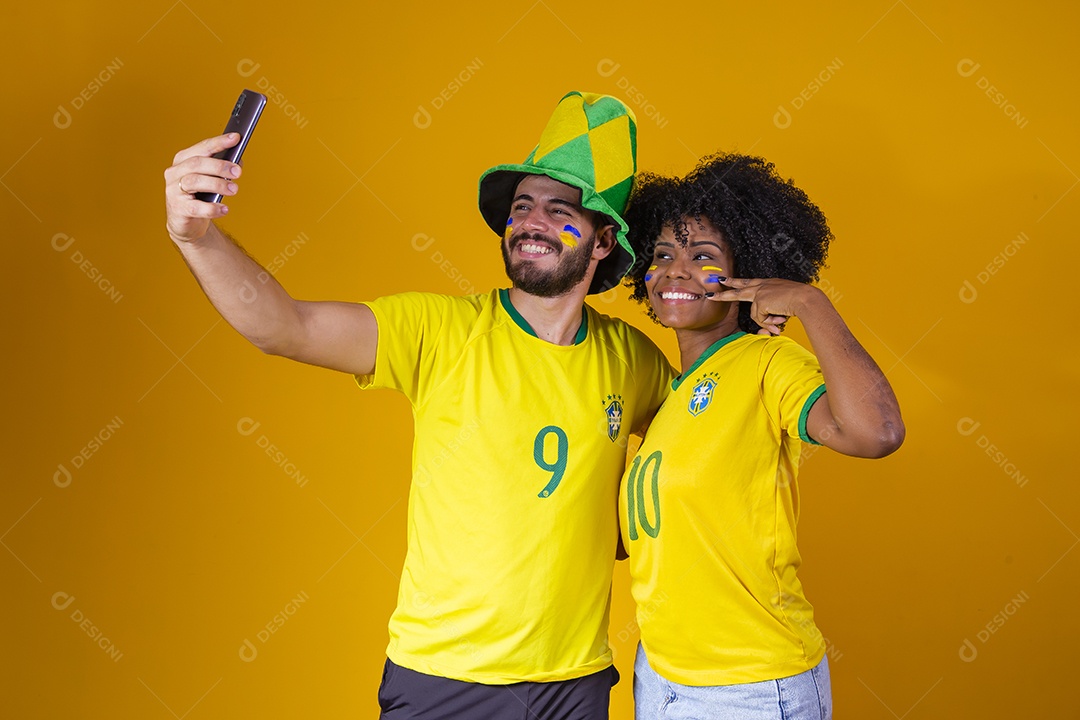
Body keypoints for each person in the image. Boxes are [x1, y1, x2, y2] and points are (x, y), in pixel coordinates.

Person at [163, 90, 673, 719]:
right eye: (523, 206)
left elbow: (707, 436)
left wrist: (748, 327)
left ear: (601, 245)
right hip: (443, 681)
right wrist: (196, 237)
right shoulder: (441, 330)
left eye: (560, 209)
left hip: (576, 684)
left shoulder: (633, 360)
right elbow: (283, 326)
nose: (533, 222)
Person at [619, 153, 905, 719]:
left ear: (749, 271)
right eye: (662, 255)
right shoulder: (671, 394)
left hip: (747, 686)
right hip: (660, 675)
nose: (676, 269)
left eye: (703, 256)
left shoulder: (766, 362)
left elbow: (877, 431)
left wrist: (807, 300)